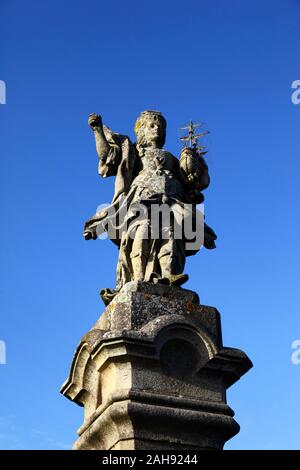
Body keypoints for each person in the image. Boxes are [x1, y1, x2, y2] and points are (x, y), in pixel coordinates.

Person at [84, 110, 216, 304]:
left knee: (171, 234)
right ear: (142, 131)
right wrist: (97, 131)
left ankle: (169, 276)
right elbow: (107, 155)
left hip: (171, 201)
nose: (157, 129)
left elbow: (192, 183)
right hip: (142, 199)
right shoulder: (135, 151)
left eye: (161, 127)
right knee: (142, 230)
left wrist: (193, 169)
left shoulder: (171, 157)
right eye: (152, 126)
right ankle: (138, 278)